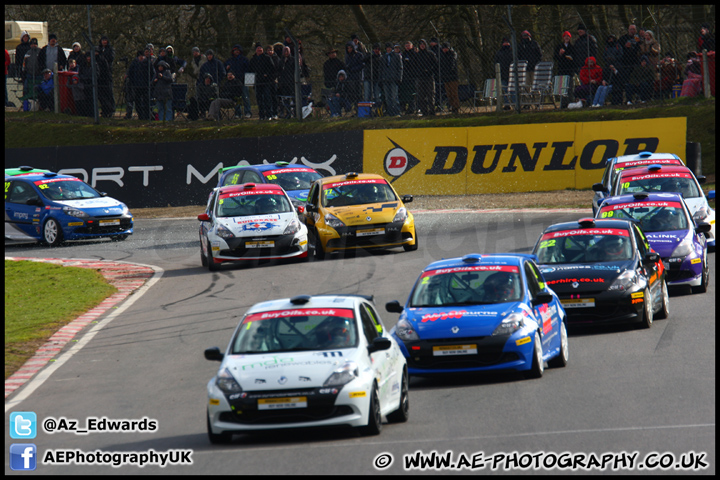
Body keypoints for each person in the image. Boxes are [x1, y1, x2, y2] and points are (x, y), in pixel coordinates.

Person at [248, 43, 275, 120]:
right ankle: (261, 115)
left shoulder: (267, 58)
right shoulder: (253, 60)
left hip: (266, 82)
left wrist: (267, 75)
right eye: (258, 48)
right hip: (257, 82)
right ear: (256, 50)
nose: (259, 50)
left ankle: (269, 114)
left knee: (267, 98)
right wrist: (251, 82)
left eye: (261, 48)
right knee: (259, 99)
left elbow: (272, 68)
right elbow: (250, 71)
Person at [224, 44, 250, 117]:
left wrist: (249, 82)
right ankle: (238, 113)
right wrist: (227, 68)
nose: (237, 52)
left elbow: (249, 70)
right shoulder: (230, 60)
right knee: (236, 98)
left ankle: (248, 112)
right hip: (234, 83)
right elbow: (224, 70)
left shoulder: (244, 59)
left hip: (244, 81)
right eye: (235, 50)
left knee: (246, 97)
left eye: (238, 50)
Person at [126, 50, 154, 120]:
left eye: (142, 56)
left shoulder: (148, 63)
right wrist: (133, 82)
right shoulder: (134, 63)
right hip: (137, 86)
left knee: (146, 101)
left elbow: (152, 73)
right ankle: (140, 116)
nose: (141, 58)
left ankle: (147, 116)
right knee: (137, 101)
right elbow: (130, 73)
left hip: (145, 85)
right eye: (140, 56)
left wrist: (150, 82)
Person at [617, 24, 641, 103]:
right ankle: (627, 98)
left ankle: (637, 97)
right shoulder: (623, 39)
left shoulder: (637, 39)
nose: (632, 31)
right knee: (626, 81)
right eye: (631, 29)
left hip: (635, 62)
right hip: (625, 63)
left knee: (636, 80)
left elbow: (639, 49)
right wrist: (625, 47)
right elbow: (619, 49)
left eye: (634, 29)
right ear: (628, 30)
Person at [415, 39, 437, 116]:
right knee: (421, 95)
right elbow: (414, 66)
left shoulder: (430, 54)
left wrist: (430, 70)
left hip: (429, 77)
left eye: (423, 44)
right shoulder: (417, 55)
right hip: (420, 77)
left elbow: (436, 64)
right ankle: (424, 111)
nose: (422, 45)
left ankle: (432, 110)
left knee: (430, 94)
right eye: (420, 44)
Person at [380, 42, 402, 117]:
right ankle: (390, 112)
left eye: (389, 47)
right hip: (385, 79)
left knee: (394, 96)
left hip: (393, 79)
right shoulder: (383, 57)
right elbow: (381, 69)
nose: (388, 49)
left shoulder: (396, 56)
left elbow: (400, 68)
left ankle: (397, 112)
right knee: (387, 97)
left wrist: (399, 78)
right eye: (387, 48)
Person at [96, 37, 115, 118]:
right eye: (103, 40)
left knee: (108, 92)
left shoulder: (110, 49)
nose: (104, 42)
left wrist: (101, 55)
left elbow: (110, 59)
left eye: (105, 40)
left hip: (107, 73)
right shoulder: (98, 49)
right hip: (99, 74)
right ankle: (104, 109)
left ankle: (111, 109)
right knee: (101, 94)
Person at [439, 42, 460, 114]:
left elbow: (451, 65)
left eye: (446, 48)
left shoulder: (452, 54)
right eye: (443, 48)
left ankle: (456, 107)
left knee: (454, 93)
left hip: (453, 77)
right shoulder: (442, 55)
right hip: (445, 77)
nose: (444, 50)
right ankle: (451, 106)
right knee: (449, 94)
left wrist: (445, 70)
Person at [399, 41, 417, 114]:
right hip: (404, 77)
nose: (407, 47)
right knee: (404, 93)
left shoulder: (414, 54)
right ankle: (403, 108)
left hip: (412, 76)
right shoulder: (403, 54)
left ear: (412, 46)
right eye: (406, 45)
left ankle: (412, 108)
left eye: (408, 45)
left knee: (412, 93)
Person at [344, 40, 364, 105]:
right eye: (348, 48)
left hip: (357, 76)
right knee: (352, 94)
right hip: (350, 77)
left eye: (350, 48)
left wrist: (354, 69)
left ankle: (359, 108)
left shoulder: (359, 55)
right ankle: (355, 108)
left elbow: (362, 65)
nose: (349, 49)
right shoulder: (347, 56)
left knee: (358, 93)